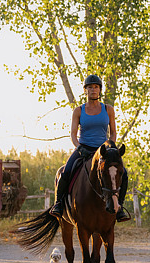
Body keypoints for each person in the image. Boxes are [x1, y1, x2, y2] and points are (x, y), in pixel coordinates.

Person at [49, 74, 130, 221]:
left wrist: (111, 147)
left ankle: (119, 208)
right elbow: (73, 135)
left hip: (103, 151)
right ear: (85, 90)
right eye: (90, 87)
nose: (93, 90)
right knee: (65, 171)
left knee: (123, 173)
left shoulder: (108, 109)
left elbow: (113, 133)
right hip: (84, 149)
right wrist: (79, 148)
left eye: (96, 87)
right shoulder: (79, 111)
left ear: (100, 90)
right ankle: (58, 205)